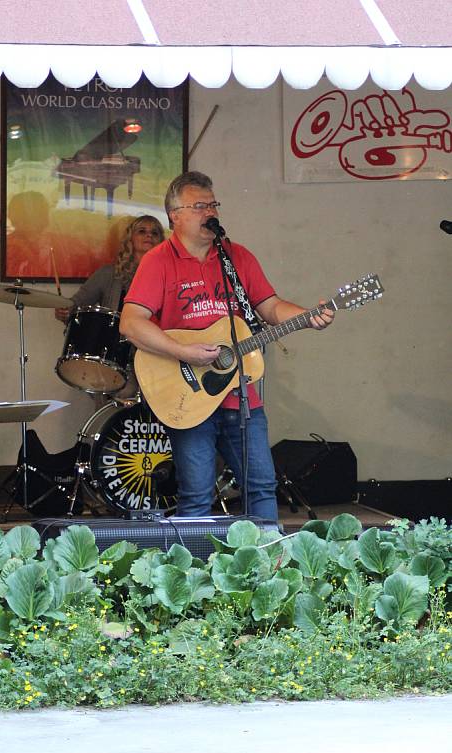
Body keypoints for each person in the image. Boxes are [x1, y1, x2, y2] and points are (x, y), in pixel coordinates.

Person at [119, 171, 335, 520]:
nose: (211, 212)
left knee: (261, 486)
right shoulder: (158, 260)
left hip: (241, 394)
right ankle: (191, 573)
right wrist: (184, 352)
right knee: (196, 494)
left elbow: (271, 307)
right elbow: (130, 323)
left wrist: (309, 315)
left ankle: (268, 566)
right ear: (175, 215)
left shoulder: (237, 257)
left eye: (213, 204)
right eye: (200, 206)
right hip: (186, 394)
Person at [55, 215, 165, 399]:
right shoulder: (108, 274)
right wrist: (65, 310)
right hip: (117, 362)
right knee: (123, 392)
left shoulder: (168, 276)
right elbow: (76, 304)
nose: (149, 236)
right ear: (130, 238)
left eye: (154, 232)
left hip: (158, 357)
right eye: (142, 231)